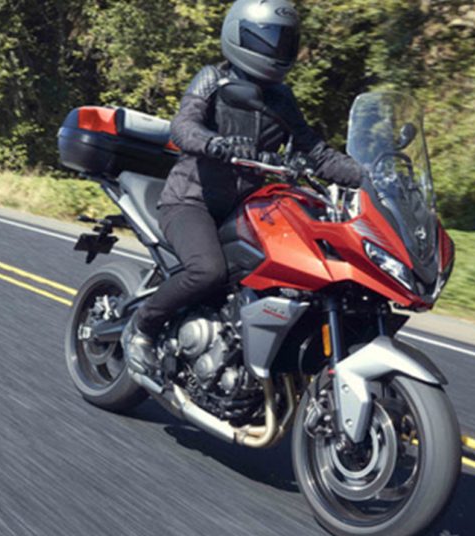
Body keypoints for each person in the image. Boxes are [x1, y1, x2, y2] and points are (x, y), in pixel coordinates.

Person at [122, 0, 366, 376]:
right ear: (238, 34)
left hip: (246, 207)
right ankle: (142, 329)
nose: (277, 49)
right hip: (191, 201)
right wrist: (213, 143)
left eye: (285, 41)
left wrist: (368, 176)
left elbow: (316, 151)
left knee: (287, 272)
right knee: (207, 271)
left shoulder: (281, 98)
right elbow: (183, 126)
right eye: (268, 39)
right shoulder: (213, 79)